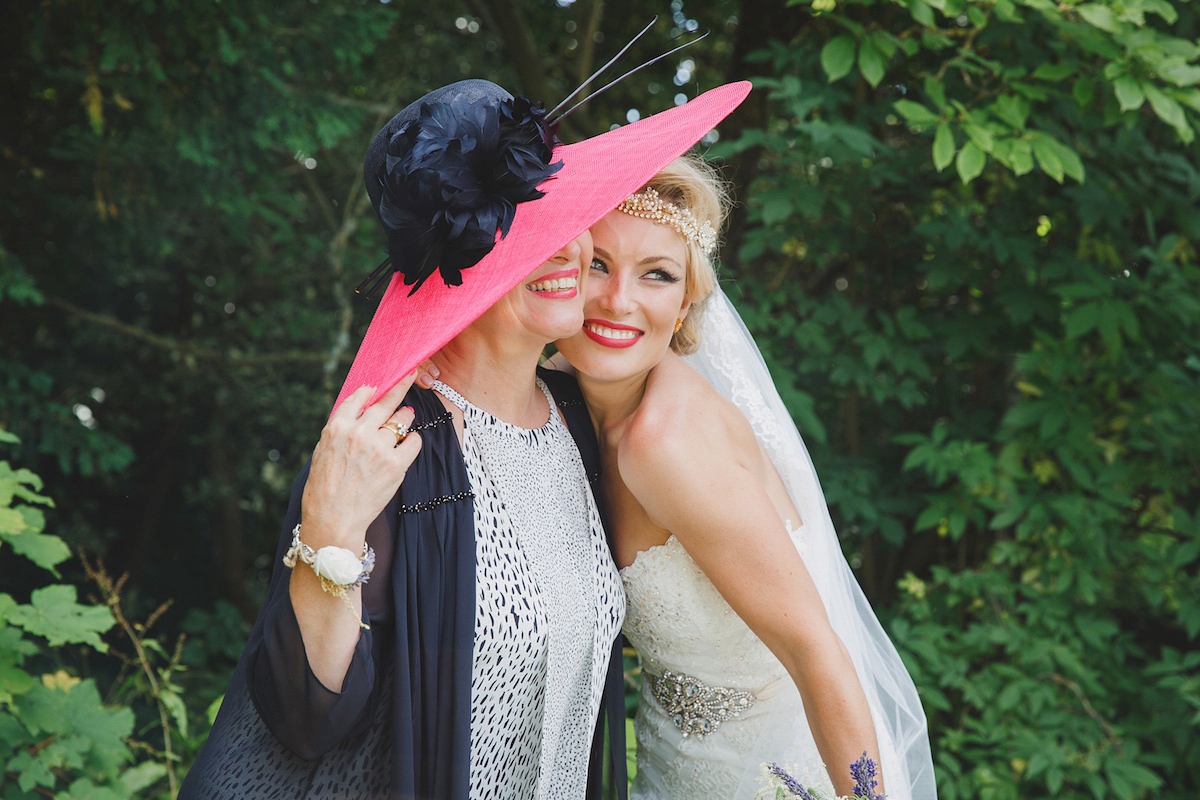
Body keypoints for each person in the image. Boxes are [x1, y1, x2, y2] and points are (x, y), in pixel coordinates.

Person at [179, 80, 750, 800]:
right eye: (521, 228)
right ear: (454, 264)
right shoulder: (390, 447)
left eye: (564, 215)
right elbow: (306, 717)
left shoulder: (581, 419)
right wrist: (328, 529)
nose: (565, 248)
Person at [553, 155, 937, 799]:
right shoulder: (561, 399)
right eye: (597, 264)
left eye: (657, 275)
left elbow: (817, 650)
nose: (618, 299)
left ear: (683, 307)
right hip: (667, 756)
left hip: (769, 767)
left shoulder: (665, 445)